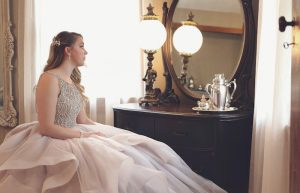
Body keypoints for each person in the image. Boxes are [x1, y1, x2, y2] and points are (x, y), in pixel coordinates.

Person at [0, 31, 227, 193]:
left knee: (138, 150)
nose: (85, 51)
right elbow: (47, 126)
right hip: (54, 140)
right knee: (108, 169)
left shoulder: (71, 80)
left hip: (76, 132)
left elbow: (83, 120)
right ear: (68, 50)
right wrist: (83, 135)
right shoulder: (49, 79)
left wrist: (109, 134)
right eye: (81, 46)